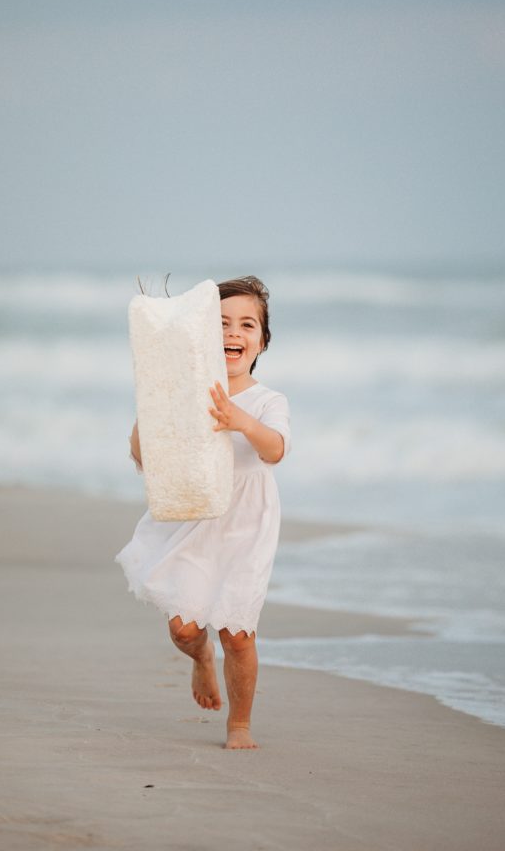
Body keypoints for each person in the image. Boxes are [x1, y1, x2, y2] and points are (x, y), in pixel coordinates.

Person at [114, 275, 291, 750]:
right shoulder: (184, 391)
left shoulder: (268, 401)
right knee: (184, 628)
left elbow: (275, 450)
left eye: (247, 325)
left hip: (246, 526)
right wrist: (148, 416)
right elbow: (145, 456)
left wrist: (242, 422)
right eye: (222, 324)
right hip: (193, 520)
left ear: (262, 341)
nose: (234, 333)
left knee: (238, 632)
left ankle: (239, 724)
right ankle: (199, 659)